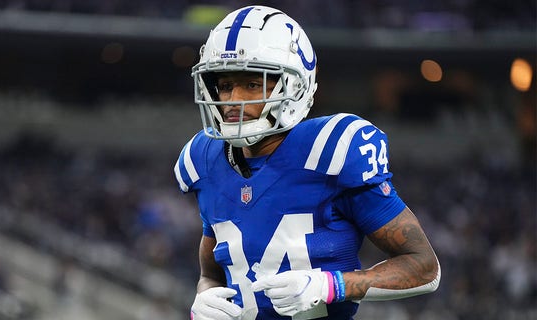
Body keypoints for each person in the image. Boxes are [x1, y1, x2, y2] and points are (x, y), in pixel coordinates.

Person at [174, 5, 440, 320]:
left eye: (252, 84)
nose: (233, 101)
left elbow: (424, 267)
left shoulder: (330, 152)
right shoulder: (203, 162)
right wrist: (203, 299)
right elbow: (212, 275)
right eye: (226, 85)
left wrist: (330, 285)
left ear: (293, 87)